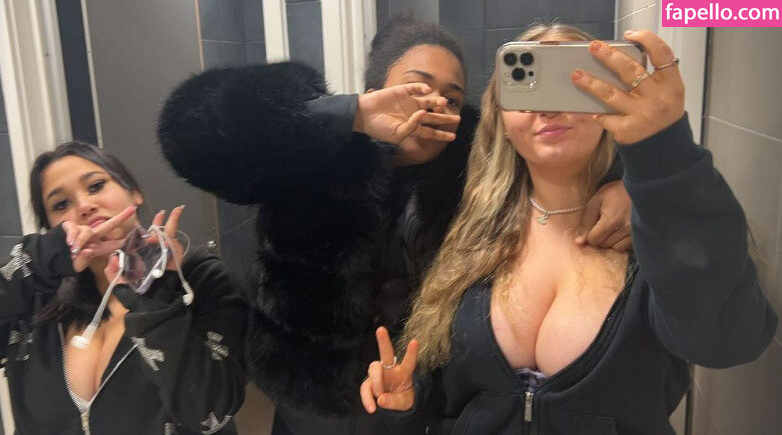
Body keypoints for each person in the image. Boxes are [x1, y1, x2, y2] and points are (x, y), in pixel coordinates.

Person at [158, 13, 632, 435]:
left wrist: (622, 183)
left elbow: (561, 150)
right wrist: (351, 115)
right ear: (375, 90)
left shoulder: (478, 165)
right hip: (306, 397)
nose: (436, 103)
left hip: (419, 405)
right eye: (418, 87)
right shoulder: (311, 155)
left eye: (452, 96)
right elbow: (190, 135)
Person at [359, 24, 778, 434]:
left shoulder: (661, 224)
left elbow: (727, 341)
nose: (547, 109)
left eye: (569, 85)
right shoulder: (467, 228)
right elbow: (446, 381)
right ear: (501, 121)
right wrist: (409, 400)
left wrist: (663, 151)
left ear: (609, 104)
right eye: (528, 88)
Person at [0, 142, 246, 434]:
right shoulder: (36, 301)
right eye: (61, 205)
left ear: (134, 193)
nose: (84, 206)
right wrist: (33, 262)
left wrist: (156, 299)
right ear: (52, 228)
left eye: (95, 186)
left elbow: (210, 412)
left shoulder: (202, 280)